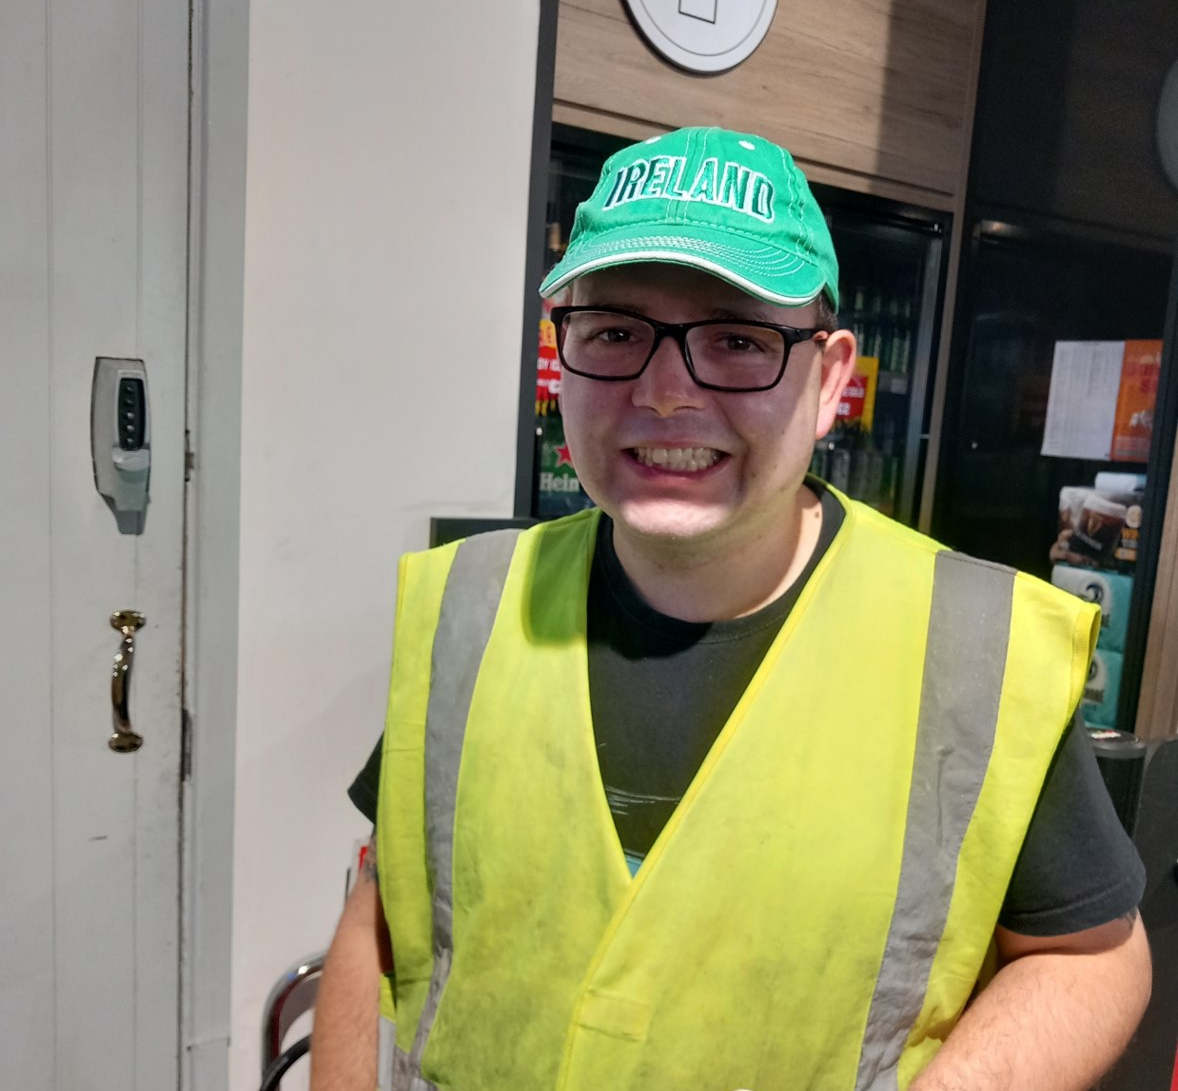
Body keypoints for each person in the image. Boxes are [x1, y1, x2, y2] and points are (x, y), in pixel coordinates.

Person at [311, 127, 1150, 1091]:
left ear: (831, 380)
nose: (666, 393)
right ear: (562, 353)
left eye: (739, 340)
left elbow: (1093, 955)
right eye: (615, 331)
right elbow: (381, 907)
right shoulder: (469, 605)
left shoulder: (969, 648)